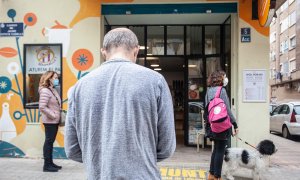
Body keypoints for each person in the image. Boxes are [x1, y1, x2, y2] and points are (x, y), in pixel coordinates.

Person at [65, 28, 176, 179]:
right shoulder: (155, 81)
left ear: (103, 52)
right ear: (136, 51)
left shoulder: (79, 87)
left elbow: (72, 149)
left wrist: (99, 161)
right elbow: (167, 147)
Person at [205, 70, 238, 180]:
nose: (225, 79)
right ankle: (217, 176)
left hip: (213, 125)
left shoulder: (208, 91)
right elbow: (227, 110)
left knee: (215, 150)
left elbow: (206, 109)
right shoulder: (222, 90)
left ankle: (211, 174)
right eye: (224, 77)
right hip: (223, 125)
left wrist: (209, 125)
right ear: (220, 78)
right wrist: (234, 124)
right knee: (220, 150)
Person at [38, 71, 62, 172]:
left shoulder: (52, 89)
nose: (57, 79)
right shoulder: (45, 91)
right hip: (50, 121)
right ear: (49, 79)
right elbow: (42, 107)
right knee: (48, 142)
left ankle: (50, 163)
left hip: (54, 120)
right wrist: (54, 115)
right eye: (55, 78)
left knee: (50, 142)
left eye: (57, 77)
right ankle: (46, 165)